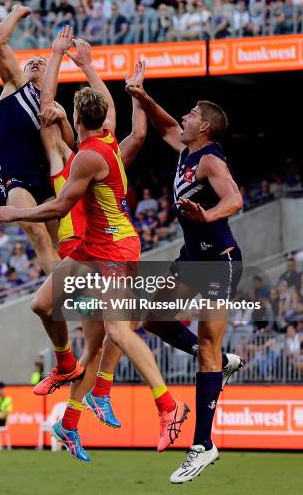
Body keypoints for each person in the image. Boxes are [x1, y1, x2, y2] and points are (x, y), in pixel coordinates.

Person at [0, 85, 189, 462]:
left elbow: (61, 204)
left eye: (60, 118)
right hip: (88, 249)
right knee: (43, 306)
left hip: (112, 249)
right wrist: (99, 71)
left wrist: (15, 213)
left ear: (75, 121)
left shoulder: (82, 158)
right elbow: (122, 119)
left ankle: (165, 405)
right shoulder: (103, 139)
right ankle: (71, 377)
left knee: (112, 332)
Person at [35, 33, 150, 457]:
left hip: (92, 254)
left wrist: (82, 65)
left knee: (104, 339)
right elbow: (50, 109)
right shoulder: (65, 157)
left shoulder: (98, 156)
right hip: (75, 254)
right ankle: (79, 380)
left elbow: (127, 129)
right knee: (108, 333)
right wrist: (62, 60)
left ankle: (72, 416)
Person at [124, 86, 244, 483]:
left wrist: (208, 216)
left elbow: (235, 199)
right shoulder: (185, 147)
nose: (186, 116)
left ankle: (202, 445)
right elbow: (166, 124)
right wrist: (140, 96)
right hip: (193, 258)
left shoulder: (209, 159)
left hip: (218, 262)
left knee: (209, 345)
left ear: (205, 126)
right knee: (153, 319)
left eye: (193, 113)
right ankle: (219, 364)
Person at [0, 7, 74, 276]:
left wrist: (62, 119)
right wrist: (17, 12)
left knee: (61, 242)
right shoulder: (15, 86)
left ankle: (74, 303)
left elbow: (69, 145)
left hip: (45, 176)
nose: (36, 63)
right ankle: (68, 298)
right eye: (30, 62)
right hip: (13, 172)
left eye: (42, 61)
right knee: (38, 235)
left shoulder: (54, 105)